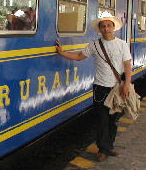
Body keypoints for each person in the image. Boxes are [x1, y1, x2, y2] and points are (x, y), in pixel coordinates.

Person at [55, 14, 131, 162]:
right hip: (100, 88)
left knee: (113, 121)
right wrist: (62, 52)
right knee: (102, 120)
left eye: (109, 26)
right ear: (100, 29)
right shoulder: (95, 45)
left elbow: (127, 66)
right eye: (103, 26)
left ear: (113, 28)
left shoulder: (122, 44)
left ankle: (110, 146)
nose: (106, 29)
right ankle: (103, 149)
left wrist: (126, 84)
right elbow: (78, 57)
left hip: (116, 88)